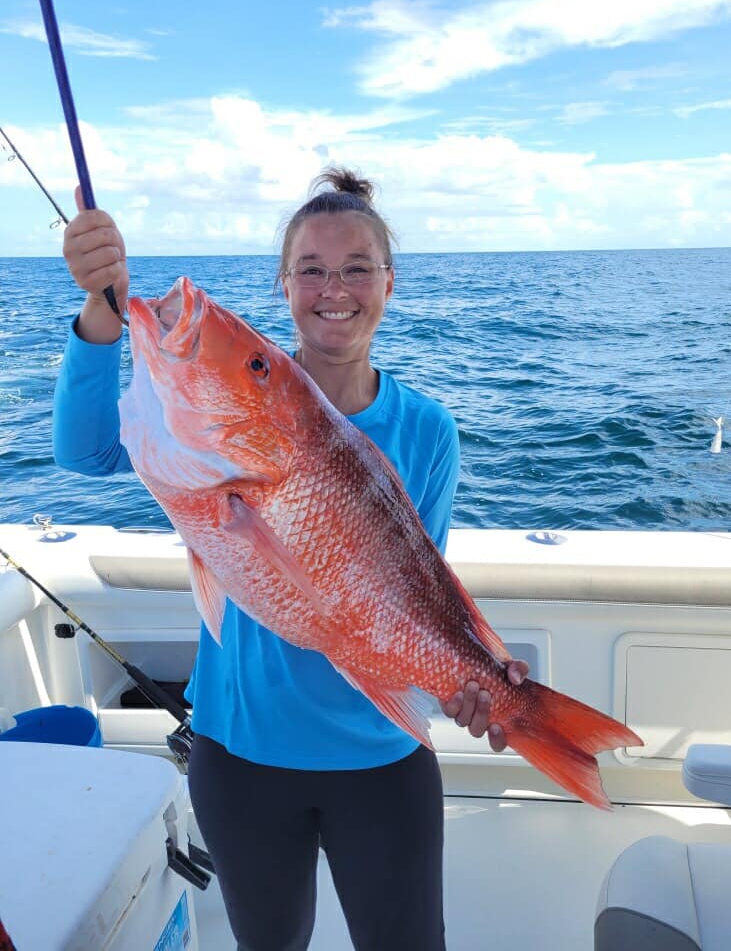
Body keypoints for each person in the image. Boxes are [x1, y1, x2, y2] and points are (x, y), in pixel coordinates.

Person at [55, 168, 528, 951]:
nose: (332, 288)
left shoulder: (427, 429)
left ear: (388, 284)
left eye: (355, 269)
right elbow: (88, 448)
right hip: (240, 755)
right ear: (283, 285)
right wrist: (102, 312)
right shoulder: (213, 424)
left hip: (382, 757)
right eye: (310, 269)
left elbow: (421, 595)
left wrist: (474, 679)